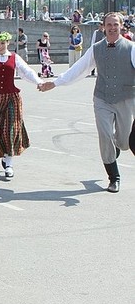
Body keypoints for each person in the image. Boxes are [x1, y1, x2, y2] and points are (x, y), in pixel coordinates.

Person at [39, 13, 135, 193]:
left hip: (126, 98)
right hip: (102, 98)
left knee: (124, 142)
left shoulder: (131, 48)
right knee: (104, 135)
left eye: (116, 24)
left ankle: (116, 147)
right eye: (109, 25)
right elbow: (79, 68)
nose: (112, 28)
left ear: (121, 26)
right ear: (103, 26)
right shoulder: (96, 48)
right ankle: (114, 177)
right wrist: (55, 82)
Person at [0, 32, 42, 178]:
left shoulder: (14, 57)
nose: (0, 46)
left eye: (3, 43)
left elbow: (26, 71)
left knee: (11, 130)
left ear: (8, 43)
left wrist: (39, 82)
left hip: (12, 97)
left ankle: (8, 163)